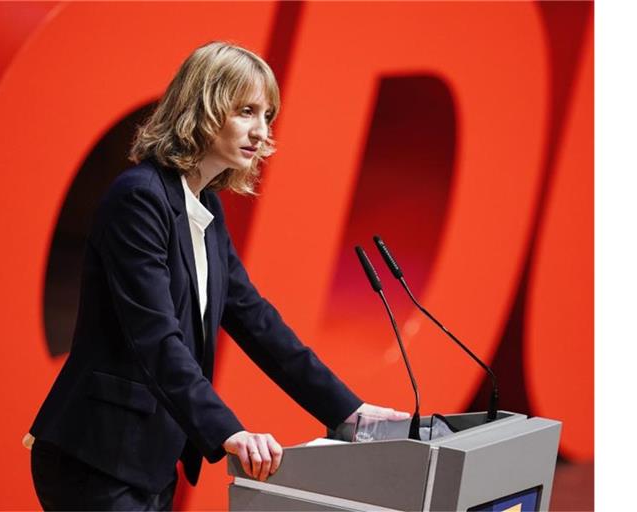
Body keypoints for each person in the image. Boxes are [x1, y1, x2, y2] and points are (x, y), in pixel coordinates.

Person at [25, 41, 409, 511]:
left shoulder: (204, 204)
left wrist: (348, 411)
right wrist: (230, 430)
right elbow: (155, 338)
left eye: (267, 116)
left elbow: (255, 320)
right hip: (96, 456)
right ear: (203, 107)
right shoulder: (139, 199)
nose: (262, 132)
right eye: (246, 111)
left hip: (149, 457)